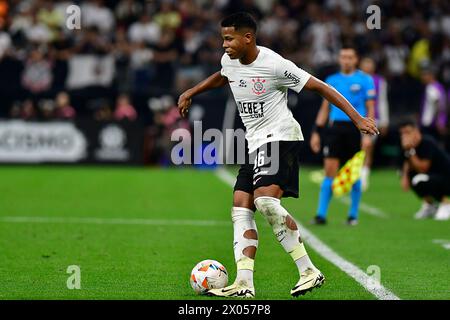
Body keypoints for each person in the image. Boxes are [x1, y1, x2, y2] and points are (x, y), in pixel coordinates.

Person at [177, 13, 378, 298]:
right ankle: (244, 284)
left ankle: (309, 271)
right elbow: (223, 76)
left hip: (281, 136)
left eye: (229, 38)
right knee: (240, 207)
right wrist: (191, 92)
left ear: (248, 38)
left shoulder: (275, 64)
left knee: (265, 201)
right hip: (254, 142)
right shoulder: (230, 62)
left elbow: (321, 86)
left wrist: (358, 118)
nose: (224, 45)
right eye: (223, 38)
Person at [310, 46, 376, 226]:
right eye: (343, 57)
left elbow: (370, 107)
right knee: (330, 170)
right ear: (340, 59)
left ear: (356, 60)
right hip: (335, 129)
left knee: (353, 173)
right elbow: (325, 109)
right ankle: (321, 214)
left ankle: (352, 215)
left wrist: (368, 134)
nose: (346, 60)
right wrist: (317, 131)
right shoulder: (332, 80)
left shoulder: (365, 80)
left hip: (356, 129)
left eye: (350, 57)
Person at [399, 119, 450, 220]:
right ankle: (430, 205)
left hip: (446, 177)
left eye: (408, 132)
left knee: (420, 179)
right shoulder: (407, 146)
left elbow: (423, 168)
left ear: (416, 131)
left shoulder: (427, 143)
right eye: (402, 133)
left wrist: (410, 151)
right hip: (433, 177)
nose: (405, 136)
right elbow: (407, 164)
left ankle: (446, 204)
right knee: (412, 176)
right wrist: (404, 177)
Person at [359, 57, 390, 191]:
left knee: (367, 148)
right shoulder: (356, 78)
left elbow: (382, 101)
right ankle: (353, 176)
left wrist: (384, 121)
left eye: (370, 64)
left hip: (373, 119)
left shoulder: (379, 81)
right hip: (356, 117)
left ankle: (364, 176)